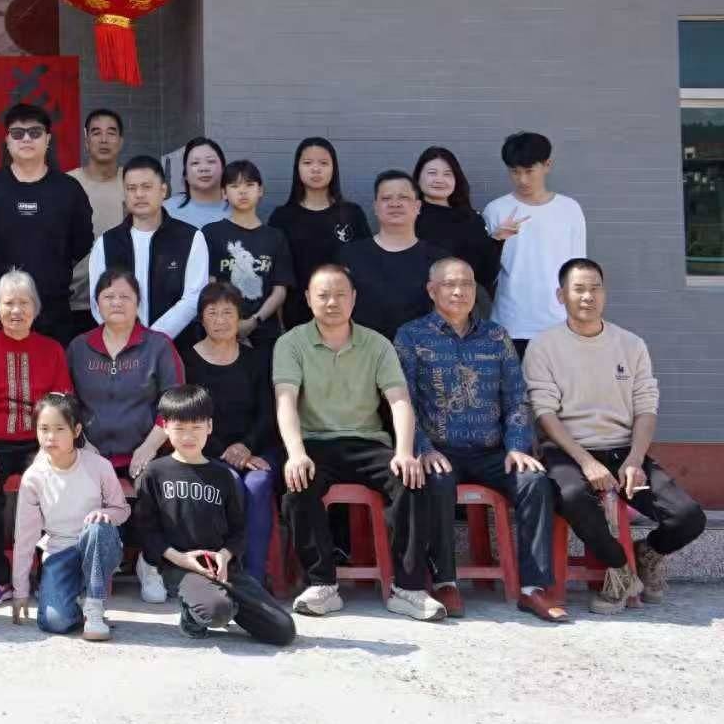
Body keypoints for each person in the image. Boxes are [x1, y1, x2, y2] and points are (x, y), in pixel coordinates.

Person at [526, 258, 706, 610]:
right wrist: (586, 462)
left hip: (624, 450)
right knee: (572, 496)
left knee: (688, 517)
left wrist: (636, 460)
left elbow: (646, 407)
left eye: (595, 288)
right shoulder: (544, 346)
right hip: (568, 451)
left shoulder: (630, 344)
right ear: (561, 296)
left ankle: (648, 553)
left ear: (605, 293)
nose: (588, 296)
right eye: (579, 289)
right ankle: (620, 569)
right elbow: (544, 412)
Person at [273, 265, 445, 621]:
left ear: (353, 298)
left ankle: (408, 589)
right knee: (297, 484)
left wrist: (404, 452)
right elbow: (285, 400)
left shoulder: (377, 344)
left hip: (367, 440)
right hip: (315, 441)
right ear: (307, 299)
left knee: (411, 480)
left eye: (340, 294)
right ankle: (321, 585)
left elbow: (399, 400)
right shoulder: (291, 343)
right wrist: (296, 453)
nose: (331, 302)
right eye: (323, 295)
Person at [396, 256, 561, 622]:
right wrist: (423, 448)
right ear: (432, 291)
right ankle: (445, 582)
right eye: (450, 284)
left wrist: (517, 446)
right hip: (440, 450)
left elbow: (516, 397)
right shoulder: (411, 336)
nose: (459, 291)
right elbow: (403, 401)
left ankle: (533, 589)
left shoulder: (496, 336)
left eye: (467, 284)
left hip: (492, 451)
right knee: (436, 481)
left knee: (534, 481)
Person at [134, 385, 297, 646]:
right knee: (217, 611)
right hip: (180, 567)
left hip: (222, 568)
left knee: (283, 630)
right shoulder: (155, 473)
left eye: (196, 427)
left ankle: (226, 601)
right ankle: (195, 614)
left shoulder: (223, 476)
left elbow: (238, 531)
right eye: (179, 428)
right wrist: (180, 559)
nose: (188, 436)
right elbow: (147, 531)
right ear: (165, 427)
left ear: (209, 426)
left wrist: (224, 555)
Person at [69, 266, 183, 601]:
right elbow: (67, 404)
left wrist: (148, 447)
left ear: (138, 302)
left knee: (155, 484)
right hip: (91, 450)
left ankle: (150, 563)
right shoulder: (79, 347)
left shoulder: (158, 346)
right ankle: (91, 564)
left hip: (145, 450)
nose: (116, 303)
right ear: (96, 303)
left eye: (125, 296)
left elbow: (174, 404)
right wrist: (83, 444)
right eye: (109, 296)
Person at [0, 270, 73, 606]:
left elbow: (63, 403)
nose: (16, 310)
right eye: (9, 303)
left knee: (55, 480)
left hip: (40, 441)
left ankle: (49, 571)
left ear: (35, 308)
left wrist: (51, 445)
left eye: (24, 303)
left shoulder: (52, 350)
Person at [0, 102, 94, 346]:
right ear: (7, 140)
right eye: (18, 133)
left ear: (48, 139)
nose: (26, 139)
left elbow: (82, 245)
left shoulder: (69, 190)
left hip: (54, 308)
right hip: (1, 308)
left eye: (35, 132)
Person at [178, 283, 279, 583]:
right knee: (230, 481)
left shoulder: (256, 360)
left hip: (255, 448)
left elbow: (268, 413)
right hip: (207, 450)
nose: (220, 320)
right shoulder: (187, 361)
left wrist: (246, 447)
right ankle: (221, 573)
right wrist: (225, 450)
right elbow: (189, 415)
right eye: (212, 313)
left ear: (239, 317)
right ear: (201, 319)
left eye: (227, 313)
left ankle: (254, 579)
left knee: (259, 484)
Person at [9, 392, 128, 640]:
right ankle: (76, 602)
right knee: (55, 622)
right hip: (59, 552)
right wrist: (20, 590)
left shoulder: (98, 466)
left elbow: (122, 510)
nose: (50, 437)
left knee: (96, 528)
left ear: (76, 430)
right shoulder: (34, 477)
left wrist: (104, 513)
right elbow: (25, 537)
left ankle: (94, 607)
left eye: (59, 429)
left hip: (98, 545)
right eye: (43, 429)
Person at [86, 156, 210, 342]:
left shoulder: (191, 238)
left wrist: (152, 339)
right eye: (131, 188)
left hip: (177, 347)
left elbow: (194, 297)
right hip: (120, 346)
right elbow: (98, 300)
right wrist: (126, 337)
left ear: (163, 190)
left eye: (146, 187)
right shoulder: (106, 242)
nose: (139, 194)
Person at [482, 131, 587, 351]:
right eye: (515, 172)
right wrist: (496, 239)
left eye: (529, 171)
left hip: (559, 322)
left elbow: (579, 269)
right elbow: (485, 273)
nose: (522, 179)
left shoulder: (569, 209)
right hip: (510, 323)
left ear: (547, 165)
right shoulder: (495, 210)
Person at [269, 137, 371, 327]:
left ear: (334, 169)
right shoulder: (282, 217)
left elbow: (365, 266)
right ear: (297, 168)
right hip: (296, 317)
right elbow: (276, 277)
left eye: (323, 163)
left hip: (344, 316)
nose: (315, 169)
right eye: (308, 163)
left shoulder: (352, 214)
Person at [340, 172, 449, 341]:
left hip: (421, 352)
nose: (395, 204)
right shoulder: (349, 255)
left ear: (418, 206)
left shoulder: (440, 260)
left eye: (403, 197)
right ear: (375, 207)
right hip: (362, 352)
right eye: (386, 198)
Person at [200, 160, 295, 340]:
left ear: (260, 190)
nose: (242, 191)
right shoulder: (211, 233)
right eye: (234, 186)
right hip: (220, 330)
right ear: (224, 193)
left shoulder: (275, 237)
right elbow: (209, 285)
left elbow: (280, 290)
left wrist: (254, 321)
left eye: (249, 185)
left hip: (265, 331)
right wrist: (229, 322)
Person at [413, 146, 502, 296]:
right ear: (418, 177)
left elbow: (486, 275)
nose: (439, 179)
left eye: (447, 174)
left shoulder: (472, 218)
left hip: (463, 303)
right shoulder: (409, 216)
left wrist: (497, 240)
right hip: (418, 303)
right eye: (432, 173)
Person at [65, 108, 127, 240]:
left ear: (121, 142)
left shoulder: (132, 181)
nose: (104, 140)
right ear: (87, 142)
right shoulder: (67, 183)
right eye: (96, 133)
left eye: (111, 133)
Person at [166, 136, 231, 228]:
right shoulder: (165, 210)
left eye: (211, 161)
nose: (204, 168)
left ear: (223, 169)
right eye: (195, 163)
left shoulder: (239, 209)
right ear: (185, 174)